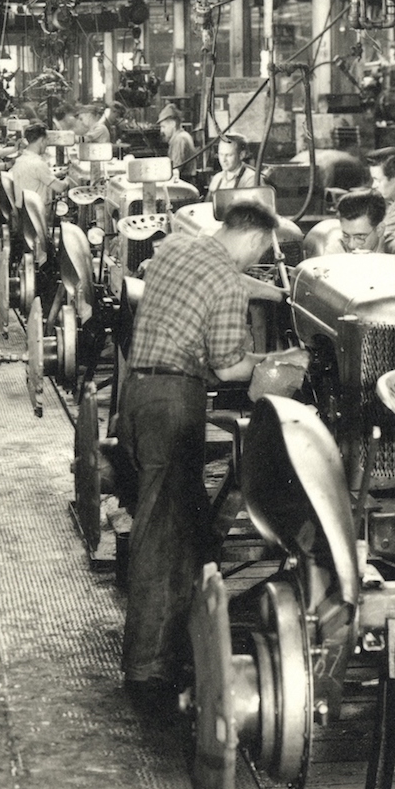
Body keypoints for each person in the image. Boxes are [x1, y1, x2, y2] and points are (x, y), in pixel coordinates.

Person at [116, 199, 287, 707]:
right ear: (257, 242)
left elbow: (227, 279)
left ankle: (173, 648)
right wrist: (276, 360)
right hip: (175, 403)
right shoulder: (229, 283)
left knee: (177, 529)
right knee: (163, 538)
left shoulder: (175, 247)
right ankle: (147, 671)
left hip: (138, 395)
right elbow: (231, 368)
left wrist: (280, 294)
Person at [301, 189, 391, 257]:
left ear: (380, 229)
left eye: (360, 237)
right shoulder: (336, 251)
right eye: (346, 236)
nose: (351, 245)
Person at [156, 103, 196, 178]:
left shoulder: (179, 139)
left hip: (184, 182)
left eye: (163, 127)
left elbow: (175, 168)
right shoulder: (182, 136)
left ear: (173, 124)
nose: (162, 130)